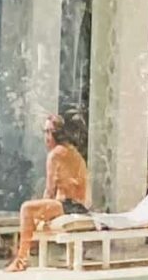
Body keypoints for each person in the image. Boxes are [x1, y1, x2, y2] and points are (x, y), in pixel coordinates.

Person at [9, 113, 92, 271]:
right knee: (34, 212)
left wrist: (40, 213)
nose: (46, 136)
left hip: (68, 206)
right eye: (45, 131)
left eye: (49, 131)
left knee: (27, 209)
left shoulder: (55, 155)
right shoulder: (73, 152)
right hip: (77, 206)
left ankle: (21, 258)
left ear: (57, 133)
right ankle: (25, 252)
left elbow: (49, 190)